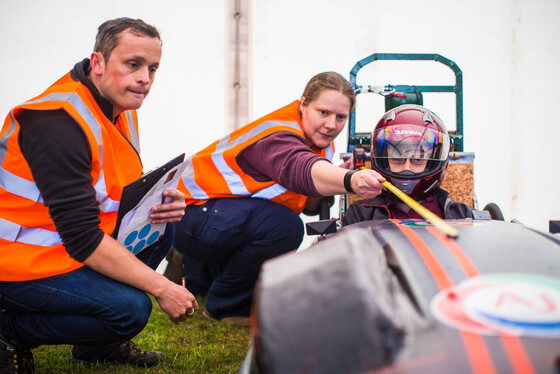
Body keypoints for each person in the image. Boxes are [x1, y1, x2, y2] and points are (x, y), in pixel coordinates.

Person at [0, 18, 198, 372]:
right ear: (98, 63)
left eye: (153, 68)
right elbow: (81, 238)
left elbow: (110, 185)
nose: (145, 79)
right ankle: (9, 331)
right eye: (133, 64)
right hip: (15, 258)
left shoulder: (116, 104)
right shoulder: (58, 121)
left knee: (160, 229)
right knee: (131, 309)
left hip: (54, 244)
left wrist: (160, 201)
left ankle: (93, 346)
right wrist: (162, 287)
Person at [173, 72, 386, 325]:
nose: (332, 124)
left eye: (341, 117)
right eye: (324, 112)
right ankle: (227, 305)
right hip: (182, 214)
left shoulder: (316, 141)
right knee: (284, 228)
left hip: (202, 212)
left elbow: (302, 199)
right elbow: (299, 169)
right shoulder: (279, 135)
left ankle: (198, 279)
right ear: (303, 103)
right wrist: (349, 180)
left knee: (270, 221)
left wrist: (336, 177)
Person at [342, 104, 476, 226]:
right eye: (396, 158)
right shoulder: (360, 214)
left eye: (418, 159)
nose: (407, 168)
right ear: (383, 161)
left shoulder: (464, 216)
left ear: (432, 163)